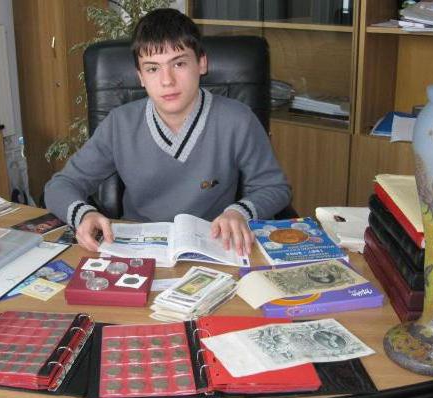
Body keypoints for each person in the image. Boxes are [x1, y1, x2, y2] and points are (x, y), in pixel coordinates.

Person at [44, 8, 291, 255]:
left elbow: (274, 187)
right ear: (140, 76)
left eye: (179, 63)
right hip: (139, 249)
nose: (167, 81)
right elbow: (61, 185)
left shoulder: (237, 119)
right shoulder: (120, 123)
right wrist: (84, 214)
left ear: (201, 63)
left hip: (213, 245)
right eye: (152, 69)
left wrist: (239, 212)